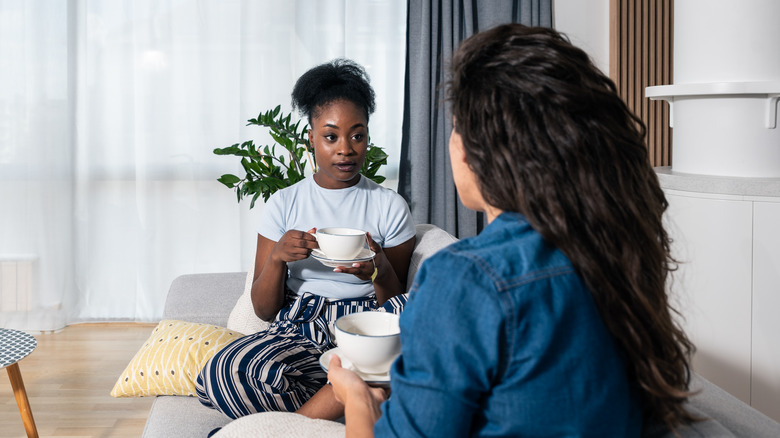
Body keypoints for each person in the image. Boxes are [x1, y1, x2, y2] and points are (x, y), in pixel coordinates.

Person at [328, 24, 696, 437]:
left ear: (480, 149)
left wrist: (356, 398)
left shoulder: (463, 279)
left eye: (455, 126)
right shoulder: (620, 249)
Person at [196, 59, 417, 420]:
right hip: (303, 323)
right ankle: (346, 396)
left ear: (367, 137)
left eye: (357, 135)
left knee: (414, 312)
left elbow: (394, 304)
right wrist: (278, 258)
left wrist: (378, 270)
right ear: (311, 138)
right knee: (220, 374)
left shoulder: (389, 206)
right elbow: (264, 310)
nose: (345, 148)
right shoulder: (284, 203)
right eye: (331, 136)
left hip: (366, 327)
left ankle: (314, 412)